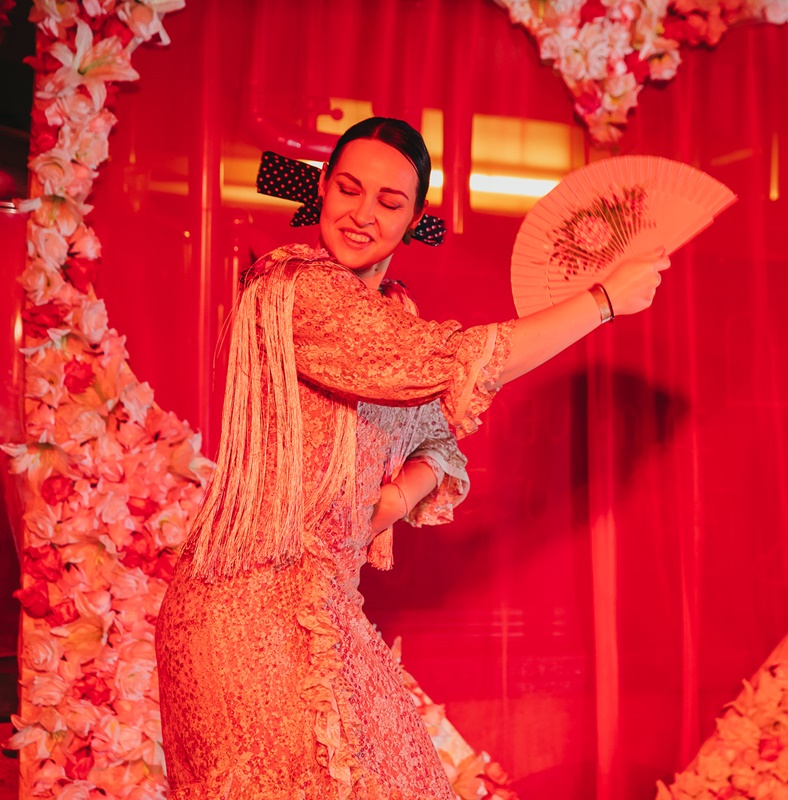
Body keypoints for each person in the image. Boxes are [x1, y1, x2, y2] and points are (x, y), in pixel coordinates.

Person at [155, 117, 670, 799]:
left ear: (413, 218)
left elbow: (439, 445)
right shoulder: (298, 288)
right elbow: (460, 361)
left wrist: (388, 502)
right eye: (348, 189)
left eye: (389, 202)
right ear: (322, 189)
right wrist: (601, 302)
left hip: (318, 599)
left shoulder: (392, 317)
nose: (363, 215)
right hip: (245, 606)